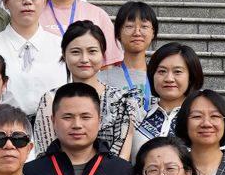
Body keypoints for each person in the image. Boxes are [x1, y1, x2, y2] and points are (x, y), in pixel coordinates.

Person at [31, 21, 144, 158]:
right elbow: (45, 154)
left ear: (103, 54)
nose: (84, 59)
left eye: (92, 51)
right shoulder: (50, 99)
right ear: (64, 54)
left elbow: (121, 159)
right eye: (76, 52)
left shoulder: (123, 100)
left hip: (110, 171)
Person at [98, 0, 160, 111]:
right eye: (129, 26)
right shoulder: (102, 79)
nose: (137, 32)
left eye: (144, 26)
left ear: (153, 33)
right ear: (118, 33)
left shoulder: (161, 77)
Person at [138, 42, 204, 140]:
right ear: (152, 76)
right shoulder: (137, 118)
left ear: (191, 77)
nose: (169, 79)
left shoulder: (203, 122)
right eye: (162, 71)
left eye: (177, 71)